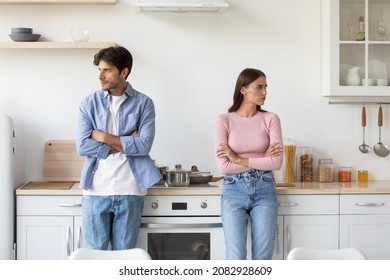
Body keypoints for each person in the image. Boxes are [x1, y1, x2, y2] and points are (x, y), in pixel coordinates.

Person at [76, 46, 161, 250]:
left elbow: (144, 145)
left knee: (125, 259)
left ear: (124, 72)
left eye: (107, 70)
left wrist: (103, 137)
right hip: (96, 190)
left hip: (130, 189)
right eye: (99, 70)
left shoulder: (144, 103)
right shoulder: (89, 103)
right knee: (94, 261)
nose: (101, 76)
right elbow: (82, 146)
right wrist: (125, 142)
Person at [215, 68, 283, 260]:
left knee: (263, 258)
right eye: (259, 87)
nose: (265, 92)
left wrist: (237, 159)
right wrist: (262, 159)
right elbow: (224, 167)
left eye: (266, 87)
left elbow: (276, 162)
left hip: (264, 190)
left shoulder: (271, 119)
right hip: (233, 191)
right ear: (243, 90)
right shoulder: (224, 120)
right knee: (236, 257)